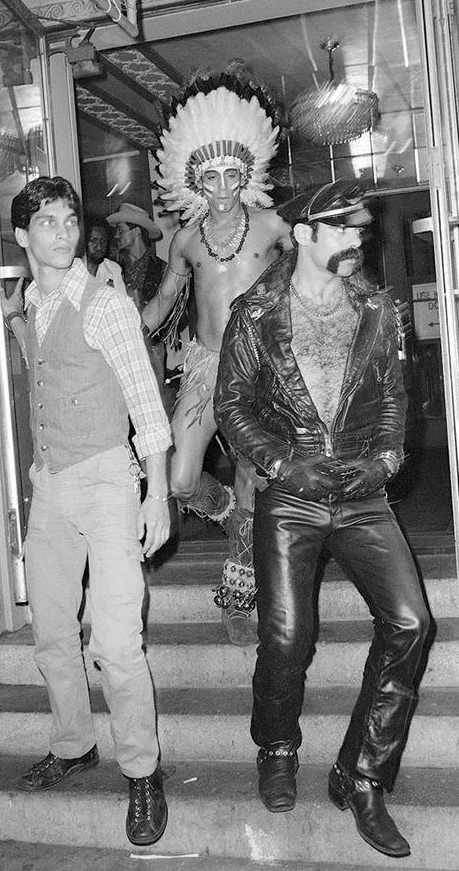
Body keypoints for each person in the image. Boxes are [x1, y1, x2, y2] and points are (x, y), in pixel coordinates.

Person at [213, 179, 432, 859]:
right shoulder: (254, 313)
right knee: (287, 633)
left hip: (363, 488)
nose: (357, 236)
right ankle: (276, 746)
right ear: (304, 234)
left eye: (359, 227)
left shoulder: (379, 307)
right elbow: (231, 406)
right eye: (342, 226)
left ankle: (362, 775)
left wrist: (387, 460)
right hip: (295, 487)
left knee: (412, 622)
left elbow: (397, 397)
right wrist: (284, 465)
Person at [0, 175, 171, 847]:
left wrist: (156, 493)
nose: (64, 232)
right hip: (51, 486)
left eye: (70, 220)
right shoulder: (26, 306)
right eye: (47, 221)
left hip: (106, 482)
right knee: (49, 635)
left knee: (117, 644)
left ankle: (143, 769)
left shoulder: (104, 305)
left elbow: (145, 404)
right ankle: (74, 745)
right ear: (23, 235)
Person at [142, 67, 293, 645]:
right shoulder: (184, 240)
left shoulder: (274, 225)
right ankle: (232, 514)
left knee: (255, 478)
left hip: (261, 370)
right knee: (180, 480)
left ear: (249, 172)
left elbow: (314, 275)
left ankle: (239, 597)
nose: (225, 187)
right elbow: (163, 300)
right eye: (212, 177)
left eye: (234, 173)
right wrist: (121, 329)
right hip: (206, 368)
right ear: (194, 183)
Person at [107, 202, 168, 397]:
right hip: (121, 353)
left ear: (136, 232)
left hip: (152, 351)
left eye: (120, 230)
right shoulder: (114, 270)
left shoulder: (161, 270)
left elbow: (176, 316)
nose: (116, 236)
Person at [84, 218, 125, 293]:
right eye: (94, 241)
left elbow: (123, 301)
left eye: (103, 241)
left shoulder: (113, 270)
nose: (99, 247)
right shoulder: (71, 270)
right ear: (84, 242)